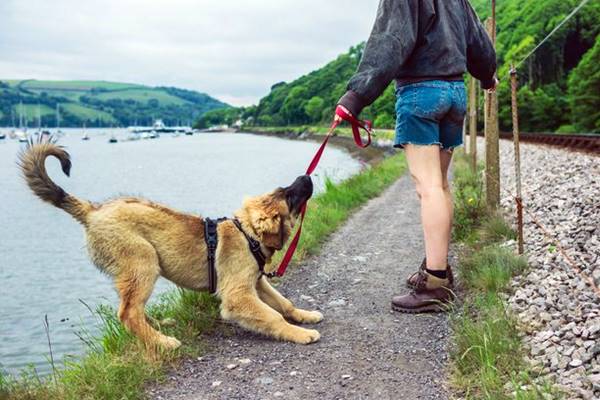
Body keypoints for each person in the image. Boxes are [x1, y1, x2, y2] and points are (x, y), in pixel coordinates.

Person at [336, 0, 497, 313]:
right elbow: (478, 42)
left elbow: (389, 42)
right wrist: (488, 76)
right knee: (441, 185)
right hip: (454, 94)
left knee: (429, 187)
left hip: (421, 94)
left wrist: (355, 97)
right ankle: (436, 267)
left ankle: (436, 283)